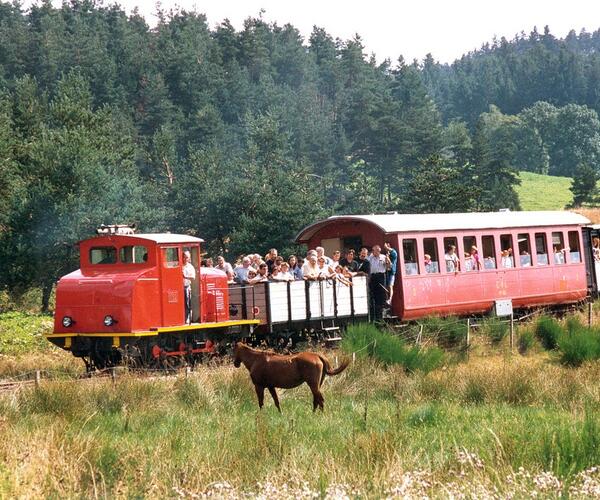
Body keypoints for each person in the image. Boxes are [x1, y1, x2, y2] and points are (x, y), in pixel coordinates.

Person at [367, 245, 389, 320]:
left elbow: (389, 267)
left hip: (381, 276)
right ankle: (374, 317)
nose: (373, 252)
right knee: (373, 295)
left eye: (374, 250)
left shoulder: (383, 257)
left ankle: (381, 317)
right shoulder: (370, 257)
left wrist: (388, 259)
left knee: (381, 296)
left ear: (378, 251)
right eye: (372, 250)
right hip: (373, 277)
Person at [182, 251, 196, 325]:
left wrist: (185, 277)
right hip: (178, 287)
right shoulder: (179, 265)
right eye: (184, 257)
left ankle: (187, 319)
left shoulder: (190, 267)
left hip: (186, 286)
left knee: (187, 303)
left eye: (187, 257)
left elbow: (193, 277)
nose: (185, 259)